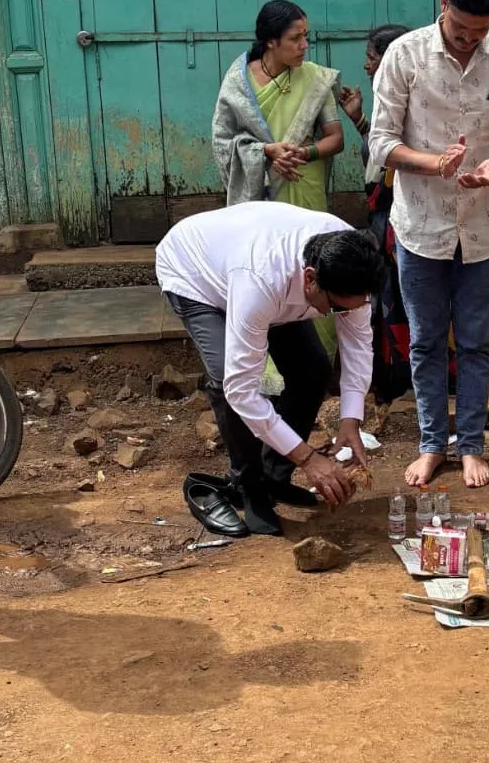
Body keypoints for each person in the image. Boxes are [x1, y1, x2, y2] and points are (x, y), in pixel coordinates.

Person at [369, 0, 489, 488]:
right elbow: (381, 143)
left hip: (483, 227)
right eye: (461, 28)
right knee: (426, 341)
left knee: (477, 342)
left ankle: (472, 445)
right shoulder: (404, 55)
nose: (468, 40)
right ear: (444, 4)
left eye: (479, 32)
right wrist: (432, 163)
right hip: (420, 226)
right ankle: (431, 443)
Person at [156, 203, 385, 537]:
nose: (341, 315)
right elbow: (241, 390)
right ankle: (249, 487)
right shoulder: (261, 281)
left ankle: (275, 477)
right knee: (225, 382)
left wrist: (351, 419)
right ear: (311, 279)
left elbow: (359, 345)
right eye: (336, 308)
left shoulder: (352, 265)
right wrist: (308, 459)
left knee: (312, 370)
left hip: (264, 279)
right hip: (197, 274)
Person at [212, 0, 346, 360]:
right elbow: (223, 142)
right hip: (261, 195)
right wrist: (267, 152)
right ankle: (263, 363)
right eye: (295, 38)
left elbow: (335, 138)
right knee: (266, 269)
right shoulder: (239, 83)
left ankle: (318, 359)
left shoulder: (315, 78)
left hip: (304, 184)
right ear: (271, 41)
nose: (304, 45)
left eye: (306, 37)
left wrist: (302, 153)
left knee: (312, 265)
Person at [338, 24, 412, 405]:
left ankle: (410, 381)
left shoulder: (413, 103)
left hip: (404, 224)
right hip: (383, 224)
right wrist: (359, 121)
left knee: (404, 302)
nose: (366, 66)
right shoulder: (386, 103)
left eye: (372, 57)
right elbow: (381, 158)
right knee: (387, 301)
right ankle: (390, 380)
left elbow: (395, 163)